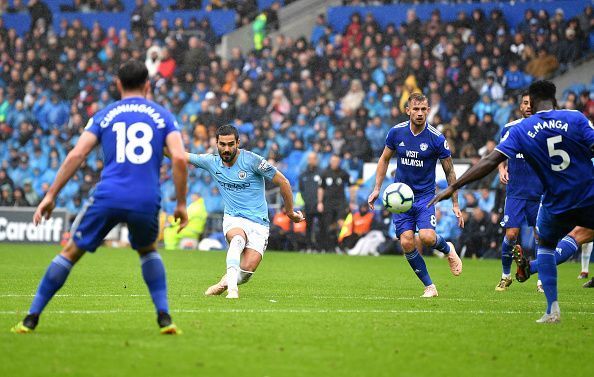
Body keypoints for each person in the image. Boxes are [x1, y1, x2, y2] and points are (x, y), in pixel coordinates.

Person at [11, 60, 188, 334]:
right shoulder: (163, 116)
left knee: (70, 253)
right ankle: (164, 316)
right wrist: (180, 203)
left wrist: (50, 195)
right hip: (145, 199)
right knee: (148, 250)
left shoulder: (105, 115)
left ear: (118, 84)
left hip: (108, 196)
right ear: (147, 85)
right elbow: (178, 157)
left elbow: (77, 155)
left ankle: (31, 318)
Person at [430, 80, 594, 323]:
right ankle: (529, 274)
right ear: (554, 98)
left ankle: (552, 310)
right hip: (587, 195)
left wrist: (454, 186)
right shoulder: (577, 118)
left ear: (533, 102)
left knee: (547, 246)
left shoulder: (522, 129)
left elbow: (489, 161)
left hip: (554, 202)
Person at [186, 124, 303, 299]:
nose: (226, 149)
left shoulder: (253, 161)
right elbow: (180, 154)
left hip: (259, 223)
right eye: (222, 144)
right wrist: (156, 145)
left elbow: (284, 182)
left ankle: (224, 283)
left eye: (231, 144)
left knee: (246, 271)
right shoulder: (211, 162)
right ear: (216, 144)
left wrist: (290, 212)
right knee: (237, 239)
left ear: (238, 143)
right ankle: (232, 291)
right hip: (234, 218)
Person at [367, 93, 464, 298]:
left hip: (425, 196)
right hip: (400, 196)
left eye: (424, 109)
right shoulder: (396, 133)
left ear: (428, 110)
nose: (420, 113)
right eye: (416, 109)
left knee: (428, 237)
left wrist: (455, 203)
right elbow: (384, 159)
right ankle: (429, 286)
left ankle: (448, 250)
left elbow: (450, 171)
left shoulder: (436, 138)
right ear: (408, 110)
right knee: (407, 242)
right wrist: (377, 188)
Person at [495, 92, 544, 292]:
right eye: (525, 103)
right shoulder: (510, 128)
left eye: (532, 103)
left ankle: (542, 280)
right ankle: (506, 276)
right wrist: (501, 169)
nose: (528, 106)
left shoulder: (545, 129)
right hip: (515, 191)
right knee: (511, 234)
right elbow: (499, 154)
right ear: (520, 106)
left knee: (542, 235)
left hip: (540, 192)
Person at [318, 154, 352, 253]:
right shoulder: (325, 173)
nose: (334, 163)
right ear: (330, 161)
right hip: (328, 203)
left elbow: (351, 186)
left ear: (339, 162)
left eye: (336, 161)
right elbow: (321, 188)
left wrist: (352, 201)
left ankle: (341, 246)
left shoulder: (343, 173)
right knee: (329, 226)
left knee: (341, 224)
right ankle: (331, 247)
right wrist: (320, 202)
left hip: (341, 202)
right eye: (333, 161)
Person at [298, 152, 322, 252]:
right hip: (308, 205)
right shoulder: (303, 174)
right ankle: (308, 247)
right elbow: (301, 190)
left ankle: (320, 247)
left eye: (313, 158)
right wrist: (306, 200)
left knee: (321, 227)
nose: (311, 160)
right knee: (308, 227)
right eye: (310, 159)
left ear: (316, 160)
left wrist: (319, 201)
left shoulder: (321, 173)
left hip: (319, 205)